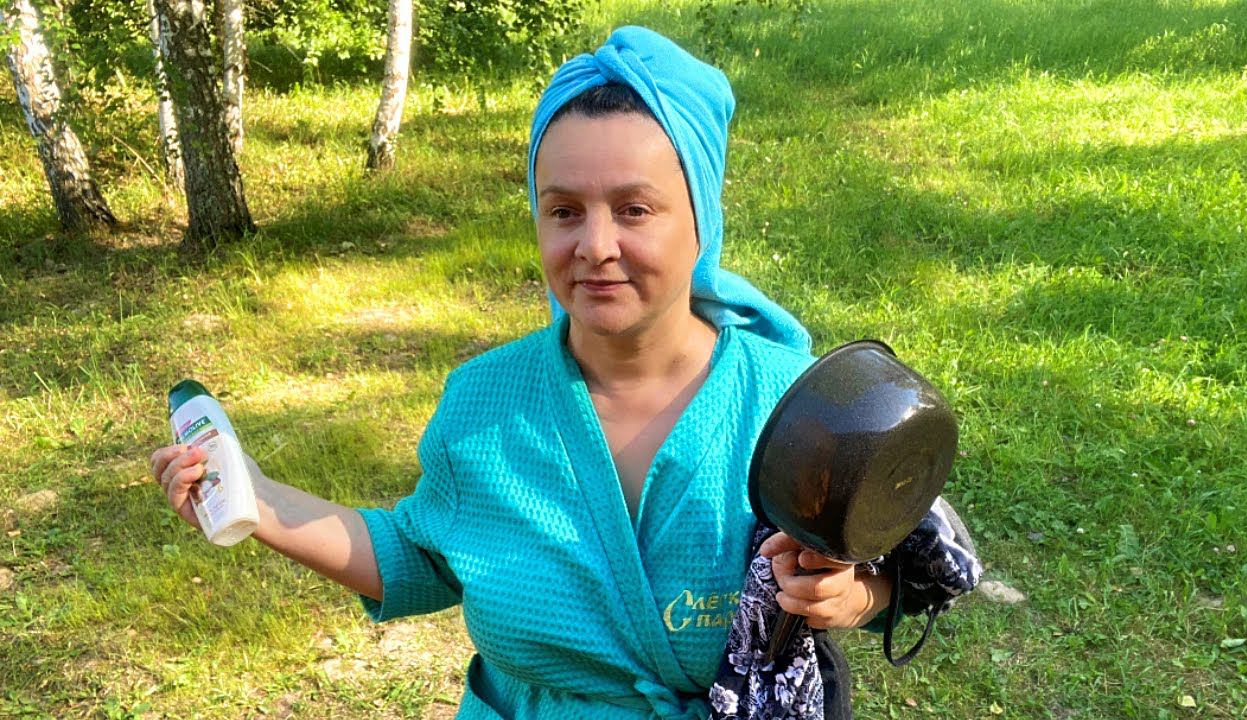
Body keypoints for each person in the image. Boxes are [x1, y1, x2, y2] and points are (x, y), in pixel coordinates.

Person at [150, 26, 894, 719]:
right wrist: (257, 497)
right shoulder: (485, 404)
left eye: (635, 209)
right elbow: (423, 554)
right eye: (563, 210)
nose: (595, 245)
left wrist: (856, 595)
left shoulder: (793, 401)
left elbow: (903, 559)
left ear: (701, 219)